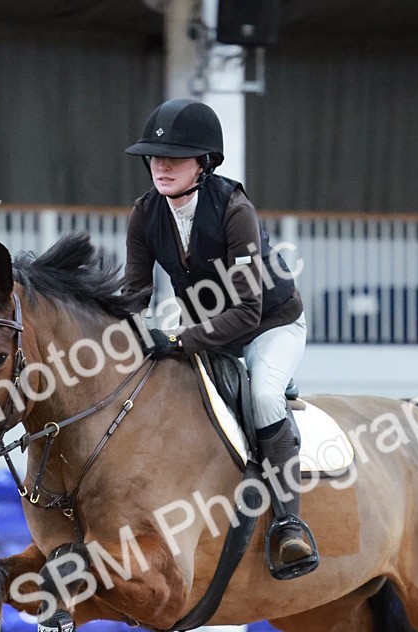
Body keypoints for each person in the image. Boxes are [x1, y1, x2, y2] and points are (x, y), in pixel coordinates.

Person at [123, 97, 317, 578]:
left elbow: (248, 309)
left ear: (203, 163)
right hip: (213, 333)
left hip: (270, 325)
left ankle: (289, 524)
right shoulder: (145, 214)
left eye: (175, 157)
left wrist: (183, 340)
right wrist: (128, 341)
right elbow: (134, 295)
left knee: (265, 395)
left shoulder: (234, 208)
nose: (161, 166)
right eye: (155, 157)